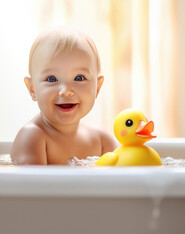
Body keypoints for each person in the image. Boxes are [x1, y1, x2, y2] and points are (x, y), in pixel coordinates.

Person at [11, 27, 118, 165]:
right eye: (51, 79)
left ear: (97, 87)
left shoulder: (103, 142)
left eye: (79, 78)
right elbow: (30, 185)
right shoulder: (32, 138)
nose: (66, 90)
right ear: (32, 89)